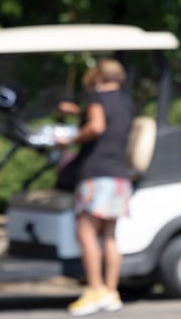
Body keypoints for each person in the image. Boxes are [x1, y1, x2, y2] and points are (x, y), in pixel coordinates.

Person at [55, 59, 134, 316]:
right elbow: (107, 120)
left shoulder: (96, 99)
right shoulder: (125, 101)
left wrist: (71, 138)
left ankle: (94, 289)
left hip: (96, 175)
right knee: (109, 236)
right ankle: (111, 292)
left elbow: (98, 125)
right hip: (119, 176)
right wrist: (79, 113)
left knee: (86, 233)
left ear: (98, 77)